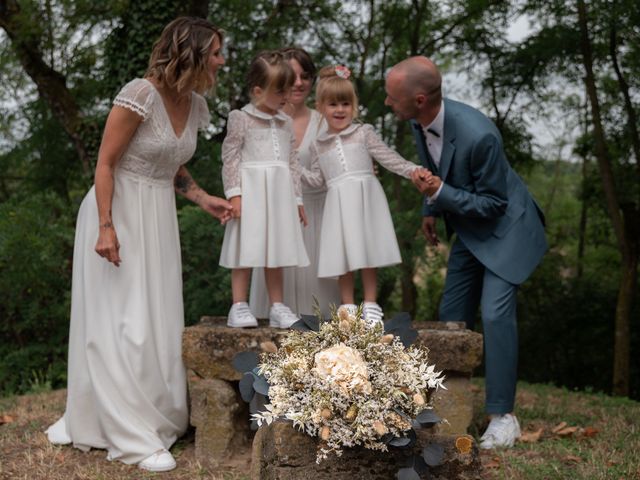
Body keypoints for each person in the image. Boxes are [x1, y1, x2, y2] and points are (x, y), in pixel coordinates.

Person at [44, 17, 233, 472]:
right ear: (191, 53)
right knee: (122, 320)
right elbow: (105, 164)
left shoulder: (195, 103)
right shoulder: (140, 93)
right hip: (119, 209)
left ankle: (157, 415)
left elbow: (171, 166)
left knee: (156, 315)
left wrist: (203, 198)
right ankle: (128, 432)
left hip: (158, 217)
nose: (222, 61)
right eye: (216, 53)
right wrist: (106, 226)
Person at [384, 56, 547, 449]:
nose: (389, 103)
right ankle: (444, 403)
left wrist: (439, 193)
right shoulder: (418, 121)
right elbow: (432, 165)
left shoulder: (480, 135)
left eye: (393, 97)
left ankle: (503, 417)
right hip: (469, 230)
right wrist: (430, 208)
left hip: (507, 230)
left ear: (419, 99)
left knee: (494, 314)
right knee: (451, 316)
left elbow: (494, 203)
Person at [302, 65, 420, 326]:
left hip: (365, 198)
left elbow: (387, 157)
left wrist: (412, 170)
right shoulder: (317, 145)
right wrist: (292, 168)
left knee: (366, 251)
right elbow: (316, 180)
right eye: (333, 104)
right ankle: (347, 306)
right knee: (343, 254)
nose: (340, 110)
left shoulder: (363, 133)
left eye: (345, 103)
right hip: (337, 203)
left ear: (353, 105)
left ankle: (370, 303)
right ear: (321, 107)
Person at [219, 50, 309, 329]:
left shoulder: (284, 122)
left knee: (276, 251)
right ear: (258, 90)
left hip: (279, 195)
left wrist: (297, 199)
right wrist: (235, 194)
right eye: (279, 90)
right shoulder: (240, 118)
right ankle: (238, 305)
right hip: (251, 193)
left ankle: (277, 306)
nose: (287, 94)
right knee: (246, 249)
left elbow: (292, 162)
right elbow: (230, 156)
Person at [249, 47, 340, 320]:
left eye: (306, 76)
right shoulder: (261, 121)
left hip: (318, 220)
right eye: (293, 76)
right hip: (275, 220)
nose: (299, 83)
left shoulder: (326, 121)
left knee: (321, 313)